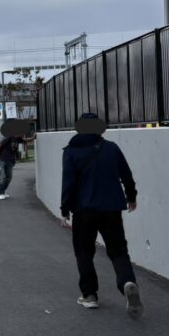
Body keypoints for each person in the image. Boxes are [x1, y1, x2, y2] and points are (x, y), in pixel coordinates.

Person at [60, 112, 143, 318]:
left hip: (83, 210)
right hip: (111, 208)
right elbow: (127, 176)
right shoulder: (112, 148)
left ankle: (89, 296)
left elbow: (68, 183)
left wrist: (64, 210)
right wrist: (131, 198)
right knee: (118, 251)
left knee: (84, 252)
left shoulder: (71, 151)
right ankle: (127, 282)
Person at [0, 126, 26, 200]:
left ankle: (1, 190)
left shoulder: (18, 139)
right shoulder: (8, 137)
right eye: (22, 133)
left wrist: (34, 138)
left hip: (10, 161)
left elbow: (25, 141)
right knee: (1, 176)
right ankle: (1, 193)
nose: (23, 134)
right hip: (2, 159)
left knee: (9, 177)